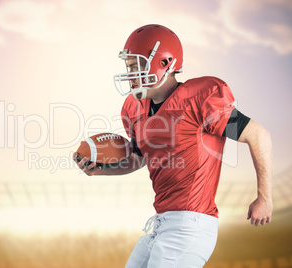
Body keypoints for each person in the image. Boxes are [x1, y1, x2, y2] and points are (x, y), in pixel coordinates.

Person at [73, 24, 273, 267]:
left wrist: (264, 198)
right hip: (162, 223)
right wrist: (99, 170)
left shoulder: (200, 98)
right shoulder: (134, 108)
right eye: (129, 67)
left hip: (191, 225)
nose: (131, 74)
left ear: (164, 63)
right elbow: (138, 159)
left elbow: (258, 135)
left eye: (137, 66)